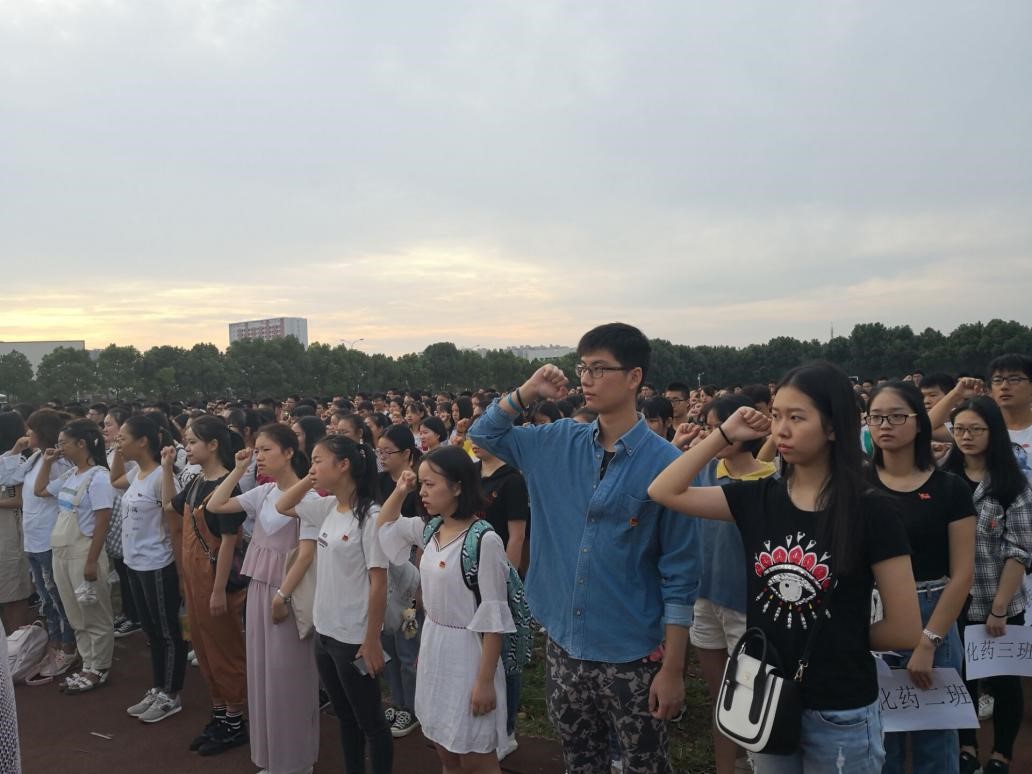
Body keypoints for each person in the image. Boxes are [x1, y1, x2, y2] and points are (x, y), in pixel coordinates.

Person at [649, 361, 922, 774]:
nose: (782, 430)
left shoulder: (873, 511)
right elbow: (664, 490)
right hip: (766, 697)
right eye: (776, 416)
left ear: (834, 427)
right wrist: (724, 433)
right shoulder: (758, 498)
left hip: (840, 706)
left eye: (797, 417)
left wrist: (837, 639)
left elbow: (905, 628)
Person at [470, 323, 699, 774]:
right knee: (580, 762)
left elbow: (681, 575)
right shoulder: (556, 443)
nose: (587, 379)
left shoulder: (667, 464)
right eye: (583, 368)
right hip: (564, 644)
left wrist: (673, 670)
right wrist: (526, 391)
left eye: (599, 368)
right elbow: (485, 434)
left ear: (634, 377)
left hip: (632, 653)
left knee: (645, 765)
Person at [377, 447, 514, 774]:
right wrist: (401, 489)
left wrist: (484, 682)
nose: (422, 492)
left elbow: (494, 619)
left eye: (430, 484)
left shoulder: (484, 540)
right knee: (445, 749)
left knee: (476, 755)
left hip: (469, 654)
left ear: (457, 486)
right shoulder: (429, 528)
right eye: (421, 484)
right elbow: (383, 526)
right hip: (434, 646)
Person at [864, 382, 974, 774]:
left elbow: (962, 573)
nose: (885, 425)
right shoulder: (856, 486)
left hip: (933, 611)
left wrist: (928, 642)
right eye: (876, 417)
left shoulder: (950, 488)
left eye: (897, 416)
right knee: (879, 739)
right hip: (871, 614)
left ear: (919, 423)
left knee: (936, 740)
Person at [276, 435, 393, 774]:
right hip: (324, 632)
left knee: (371, 722)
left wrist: (371, 639)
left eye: (318, 460)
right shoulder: (327, 508)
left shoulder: (370, 516)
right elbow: (282, 505)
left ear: (344, 465)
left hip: (353, 637)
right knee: (344, 716)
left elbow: (379, 583)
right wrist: (309, 479)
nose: (312, 467)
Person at [206, 423, 320, 774]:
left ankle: (297, 761)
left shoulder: (309, 500)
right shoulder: (264, 492)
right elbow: (215, 504)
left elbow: (306, 555)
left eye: (266, 449)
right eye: (257, 450)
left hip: (288, 594)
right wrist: (239, 468)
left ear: (289, 452)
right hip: (259, 590)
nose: (260, 456)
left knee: (289, 678)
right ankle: (273, 759)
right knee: (262, 673)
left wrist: (283, 595)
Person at [685, 395, 777, 774]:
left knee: (752, 700)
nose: (711, 436)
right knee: (721, 698)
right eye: (709, 428)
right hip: (705, 599)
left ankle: (757, 765)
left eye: (718, 428)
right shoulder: (703, 472)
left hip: (748, 606)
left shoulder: (772, 481)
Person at [942, 397, 1032, 774]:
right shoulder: (943, 479)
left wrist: (999, 608)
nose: (966, 436)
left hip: (999, 602)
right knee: (959, 677)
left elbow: (1019, 550)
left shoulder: (1012, 484)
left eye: (976, 429)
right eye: (960, 429)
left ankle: (1001, 753)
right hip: (953, 602)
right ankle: (966, 746)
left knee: (1005, 681)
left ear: (993, 432)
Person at [164, 416, 249, 756]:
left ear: (212, 445)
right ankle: (220, 714)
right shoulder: (198, 481)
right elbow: (169, 506)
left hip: (216, 583)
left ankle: (235, 721)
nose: (186, 447)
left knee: (225, 652)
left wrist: (217, 590)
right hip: (194, 579)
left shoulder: (227, 486)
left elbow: (229, 541)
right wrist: (166, 469)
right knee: (204, 650)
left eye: (192, 442)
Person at [108, 415, 187, 723]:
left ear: (143, 442)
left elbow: (175, 525)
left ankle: (172, 694)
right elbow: (115, 480)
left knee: (168, 632)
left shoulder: (160, 477)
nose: (119, 443)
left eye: (123, 438)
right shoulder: (136, 473)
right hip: (135, 563)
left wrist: (181, 573)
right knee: (152, 632)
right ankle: (158, 687)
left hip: (158, 564)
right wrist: (118, 452)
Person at [36, 418, 117, 694]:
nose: (60, 449)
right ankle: (88, 663)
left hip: (83, 552)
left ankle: (100, 667)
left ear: (82, 444)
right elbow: (40, 490)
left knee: (94, 612)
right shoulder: (71, 474)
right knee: (75, 614)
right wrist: (47, 462)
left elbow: (102, 521)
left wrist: (92, 561)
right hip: (62, 552)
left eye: (64, 444)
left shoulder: (99, 477)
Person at [0, 409, 77, 682]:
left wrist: (47, 461)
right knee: (46, 599)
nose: (26, 434)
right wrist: (15, 450)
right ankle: (55, 644)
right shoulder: (34, 457)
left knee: (58, 598)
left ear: (42, 432)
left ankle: (67, 647)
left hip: (49, 538)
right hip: (33, 539)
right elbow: (6, 477)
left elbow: (42, 491)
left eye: (30, 430)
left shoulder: (60, 463)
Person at [471, 437, 530, 761]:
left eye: (483, 436)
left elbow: (517, 535)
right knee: (479, 652)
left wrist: (506, 582)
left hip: (498, 577)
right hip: (470, 575)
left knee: (505, 656)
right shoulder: (471, 473)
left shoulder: (512, 480)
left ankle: (506, 731)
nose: (475, 442)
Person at [375, 424, 423, 739]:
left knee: (408, 643)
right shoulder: (378, 483)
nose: (381, 457)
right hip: (383, 577)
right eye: (378, 451)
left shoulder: (419, 487)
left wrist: (419, 585)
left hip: (410, 582)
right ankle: (396, 700)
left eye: (387, 452)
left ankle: (413, 708)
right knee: (387, 644)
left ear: (406, 453)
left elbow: (421, 539)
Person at [103, 407, 142, 639]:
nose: (105, 429)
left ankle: (135, 616)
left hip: (130, 515)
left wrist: (119, 449)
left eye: (109, 424)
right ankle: (129, 612)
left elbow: (116, 480)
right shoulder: (112, 450)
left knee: (129, 573)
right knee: (122, 568)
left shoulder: (128, 455)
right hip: (119, 517)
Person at [0, 412, 33, 633]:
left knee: (14, 592)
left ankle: (17, 643)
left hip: (10, 532)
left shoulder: (18, 460)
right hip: (5, 532)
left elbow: (18, 500)